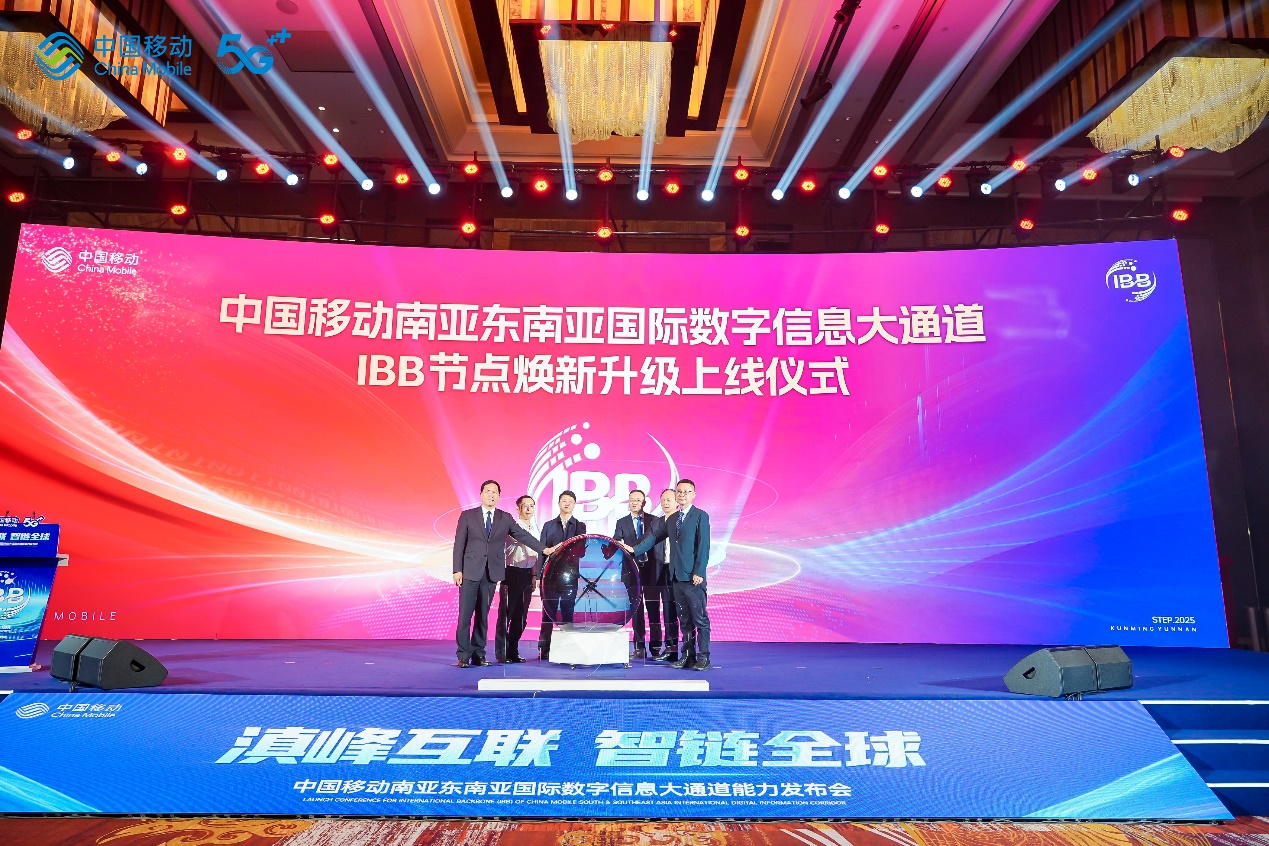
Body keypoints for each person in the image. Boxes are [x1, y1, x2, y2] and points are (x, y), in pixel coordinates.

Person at [453, 480, 557, 668]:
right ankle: (463, 655)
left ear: (499, 496)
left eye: (495, 492)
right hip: (469, 571)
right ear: (481, 494)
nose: (491, 495)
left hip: (491, 573)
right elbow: (459, 544)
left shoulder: (505, 518)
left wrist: (544, 549)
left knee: (483, 616)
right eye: (488, 491)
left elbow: (523, 536)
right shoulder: (468, 516)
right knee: (465, 616)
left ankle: (478, 654)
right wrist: (457, 570)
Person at [623, 479, 710, 670]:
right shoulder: (672, 519)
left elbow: (703, 546)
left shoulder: (700, 516)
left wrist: (699, 571)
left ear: (693, 495)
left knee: (700, 619)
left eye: (686, 492)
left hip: (693, 578)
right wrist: (633, 550)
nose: (682, 495)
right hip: (676, 577)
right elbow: (653, 538)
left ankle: (704, 657)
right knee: (684, 621)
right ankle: (688, 656)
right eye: (679, 491)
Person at [614, 490, 665, 659]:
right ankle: (639, 647)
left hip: (652, 570)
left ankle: (656, 647)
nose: (634, 503)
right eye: (631, 500)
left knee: (653, 609)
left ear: (644, 502)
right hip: (632, 571)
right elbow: (616, 541)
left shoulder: (654, 520)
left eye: (638, 500)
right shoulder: (621, 522)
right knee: (636, 610)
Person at [535, 490, 586, 660]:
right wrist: (539, 575)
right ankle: (544, 648)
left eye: (570, 501)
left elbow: (581, 551)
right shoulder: (548, 525)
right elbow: (542, 551)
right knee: (547, 613)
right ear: (558, 504)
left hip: (570, 576)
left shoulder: (580, 526)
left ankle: (567, 647)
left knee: (567, 612)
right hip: (550, 576)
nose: (567, 503)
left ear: (574, 505)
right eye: (564, 500)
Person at [495, 495, 538, 664]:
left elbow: (534, 556)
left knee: (521, 617)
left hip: (527, 575)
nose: (528, 509)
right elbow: (530, 547)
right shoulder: (513, 527)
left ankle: (513, 650)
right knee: (506, 615)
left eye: (531, 506)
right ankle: (502, 652)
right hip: (512, 573)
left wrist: (534, 575)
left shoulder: (535, 528)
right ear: (518, 508)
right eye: (525, 506)